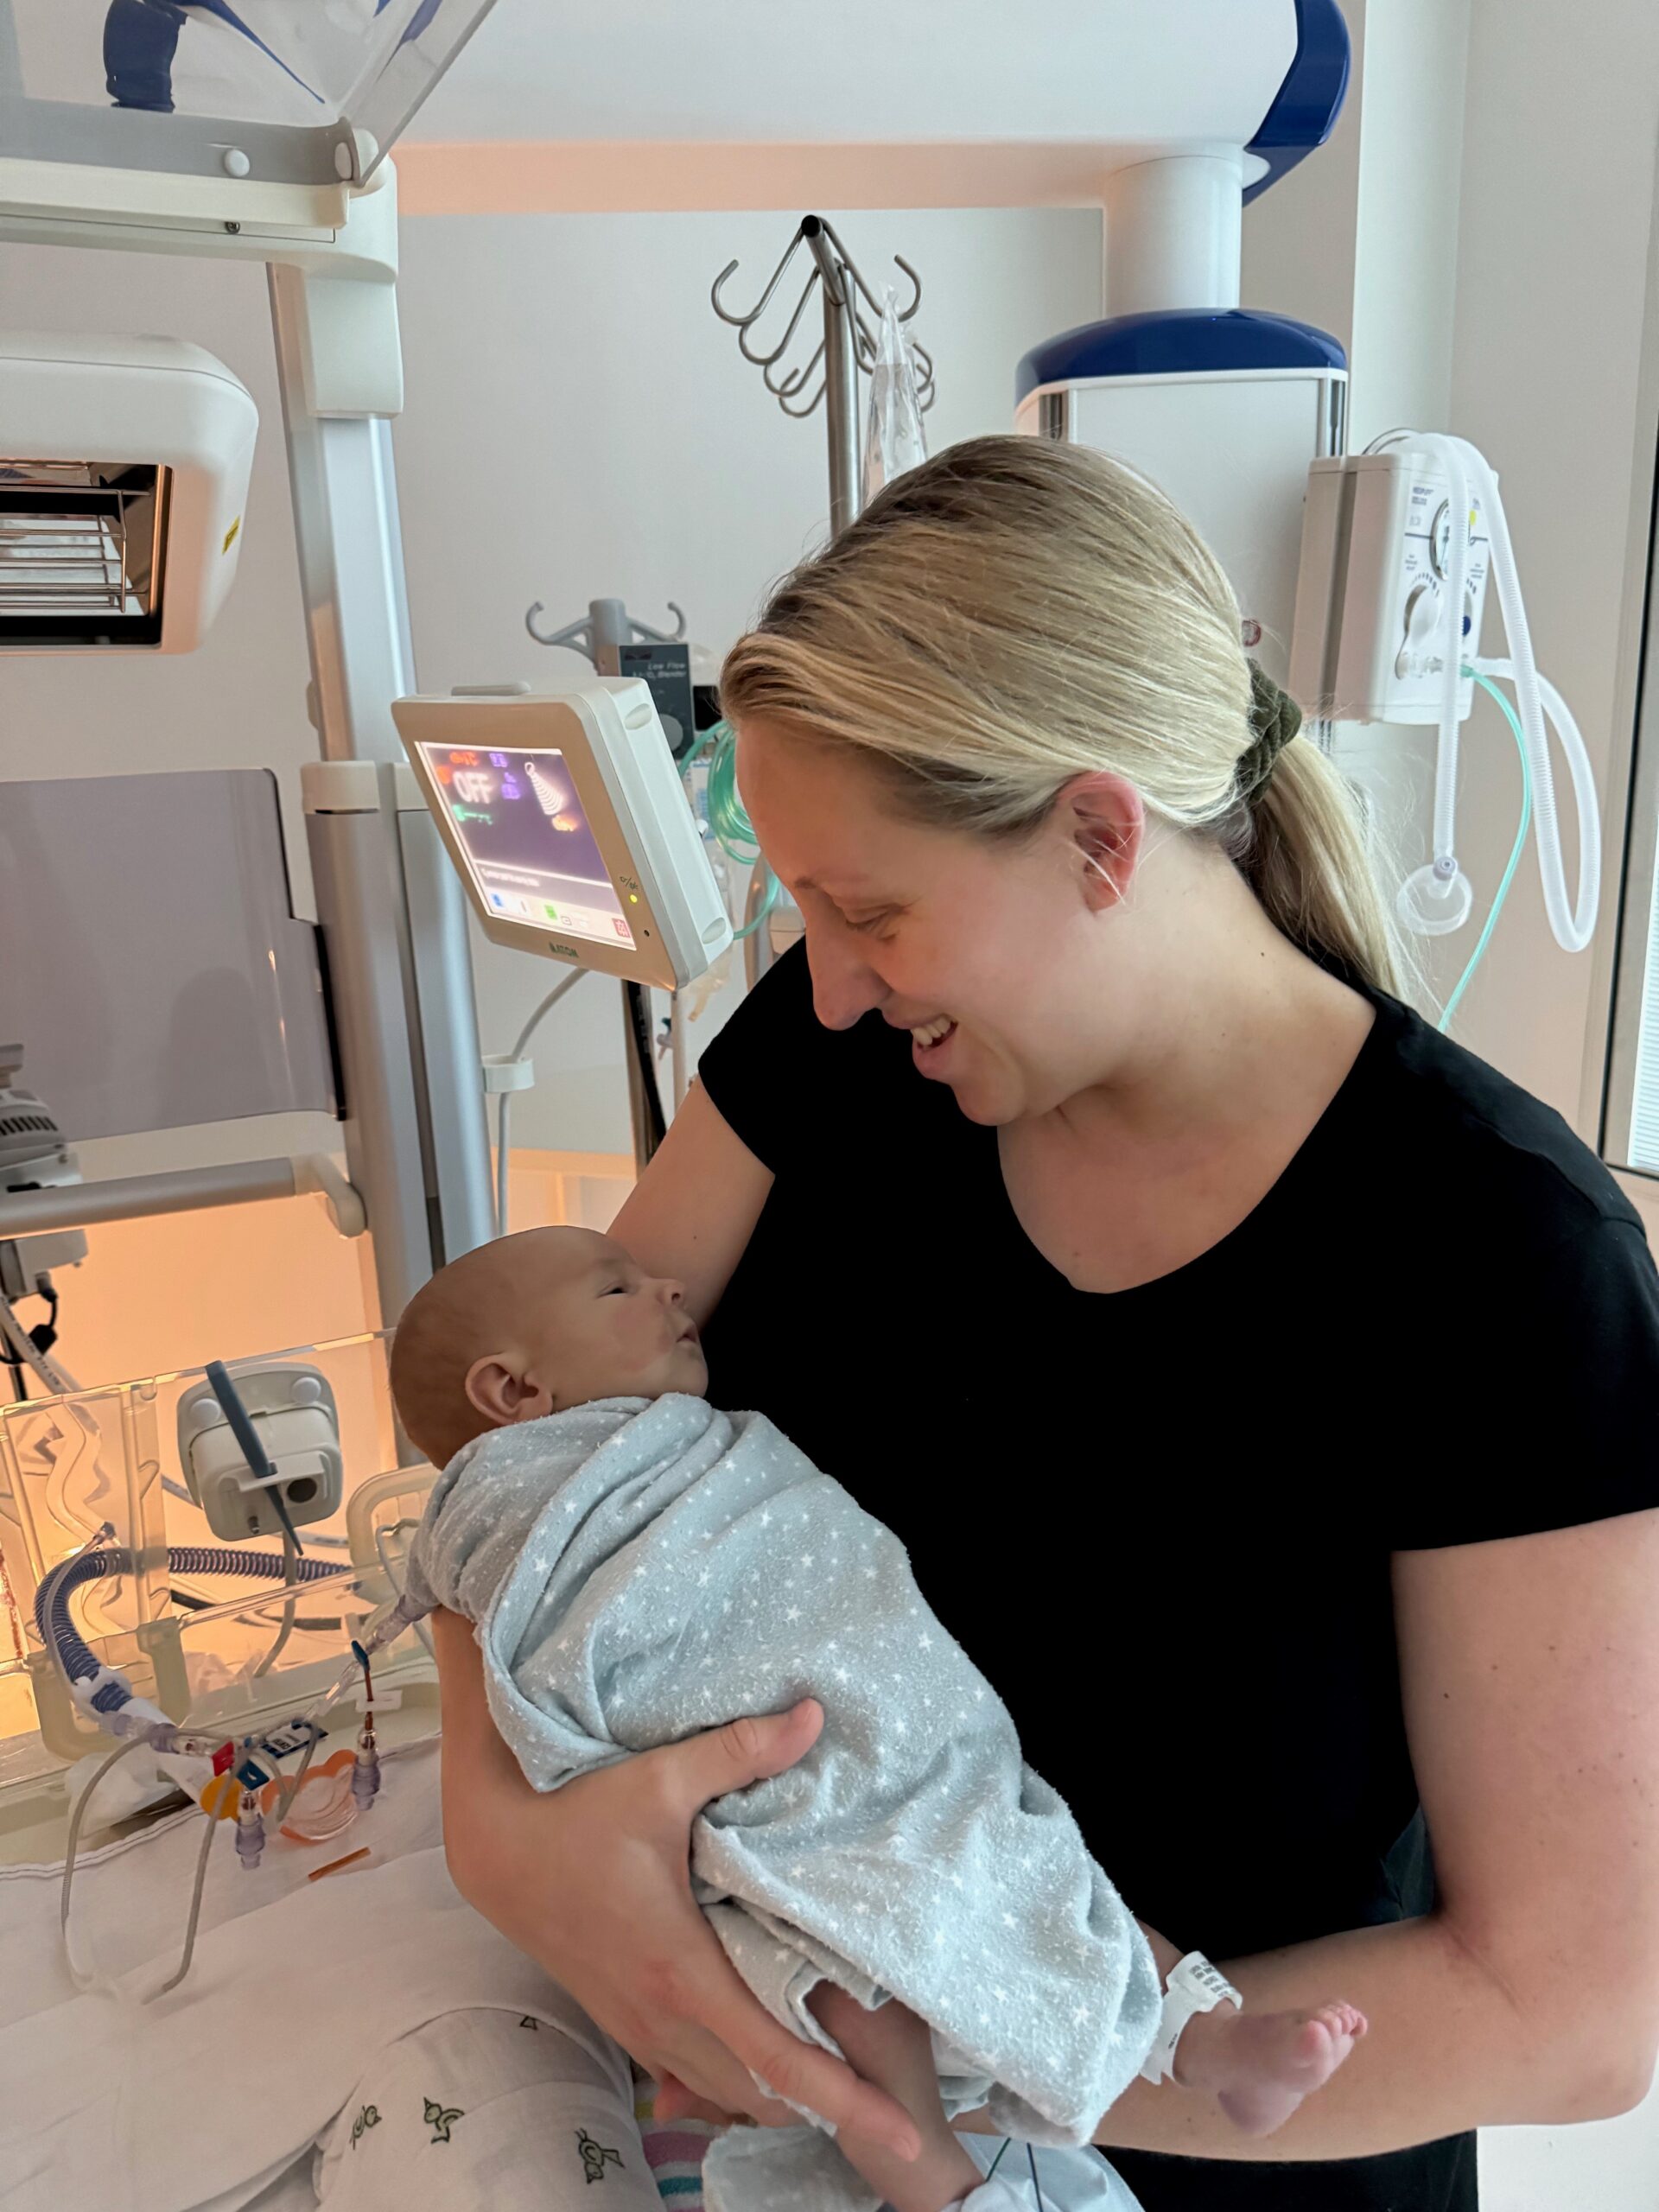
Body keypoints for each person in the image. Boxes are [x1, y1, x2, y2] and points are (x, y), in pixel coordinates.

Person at [433, 437, 1659, 2211]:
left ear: (1099, 830)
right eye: (806, 915)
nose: (835, 979)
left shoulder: (1501, 1258)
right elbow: (545, 1442)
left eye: (872, 911)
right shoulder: (844, 1052)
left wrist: (955, 2079)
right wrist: (504, 1830)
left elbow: (1570, 2012)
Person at [388, 1224, 1368, 2212]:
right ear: (513, 1392)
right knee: (852, 1982)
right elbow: (526, 1634)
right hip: (768, 1791)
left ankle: (1208, 2042)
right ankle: (935, 2181)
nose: (671, 1287)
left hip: (890, 1721)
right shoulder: (503, 1506)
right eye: (619, 1289)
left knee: (1038, 1866)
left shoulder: (688, 1438)